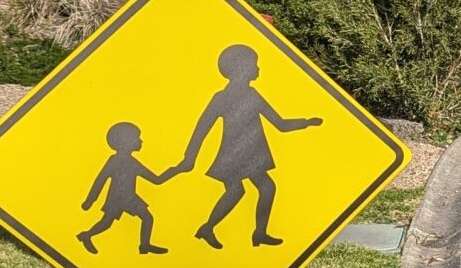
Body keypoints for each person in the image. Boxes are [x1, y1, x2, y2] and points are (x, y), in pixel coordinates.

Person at [161, 45, 323, 249]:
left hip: (252, 152)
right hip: (235, 153)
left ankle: (256, 233)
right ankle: (210, 228)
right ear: (240, 68)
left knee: (263, 188)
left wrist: (307, 122)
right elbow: (202, 128)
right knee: (240, 190)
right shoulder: (222, 98)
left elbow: (280, 124)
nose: (258, 69)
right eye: (254, 64)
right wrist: (189, 158)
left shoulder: (252, 95)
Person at [77, 122, 170, 255]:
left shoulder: (133, 162)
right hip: (117, 199)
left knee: (146, 217)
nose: (141, 141)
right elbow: (100, 180)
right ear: (126, 142)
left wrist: (176, 170)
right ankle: (86, 235)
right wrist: (90, 201)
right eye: (137, 138)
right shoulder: (114, 160)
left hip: (129, 197)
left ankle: (144, 245)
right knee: (107, 223)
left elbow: (156, 180)